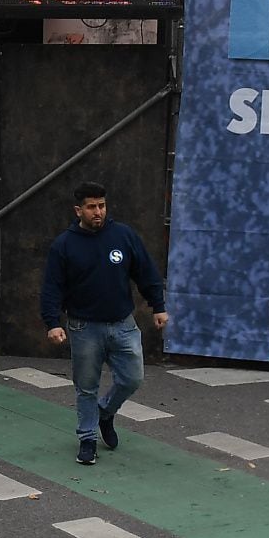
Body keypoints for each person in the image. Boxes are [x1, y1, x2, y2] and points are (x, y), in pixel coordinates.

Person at [41, 181, 170, 466]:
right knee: (86, 386)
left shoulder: (123, 235)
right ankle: (87, 439)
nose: (97, 212)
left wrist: (158, 306)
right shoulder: (64, 245)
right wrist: (53, 322)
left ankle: (106, 412)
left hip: (123, 325)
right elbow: (52, 287)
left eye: (101, 206)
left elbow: (145, 271)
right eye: (91, 207)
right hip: (84, 328)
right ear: (79, 210)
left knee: (132, 378)